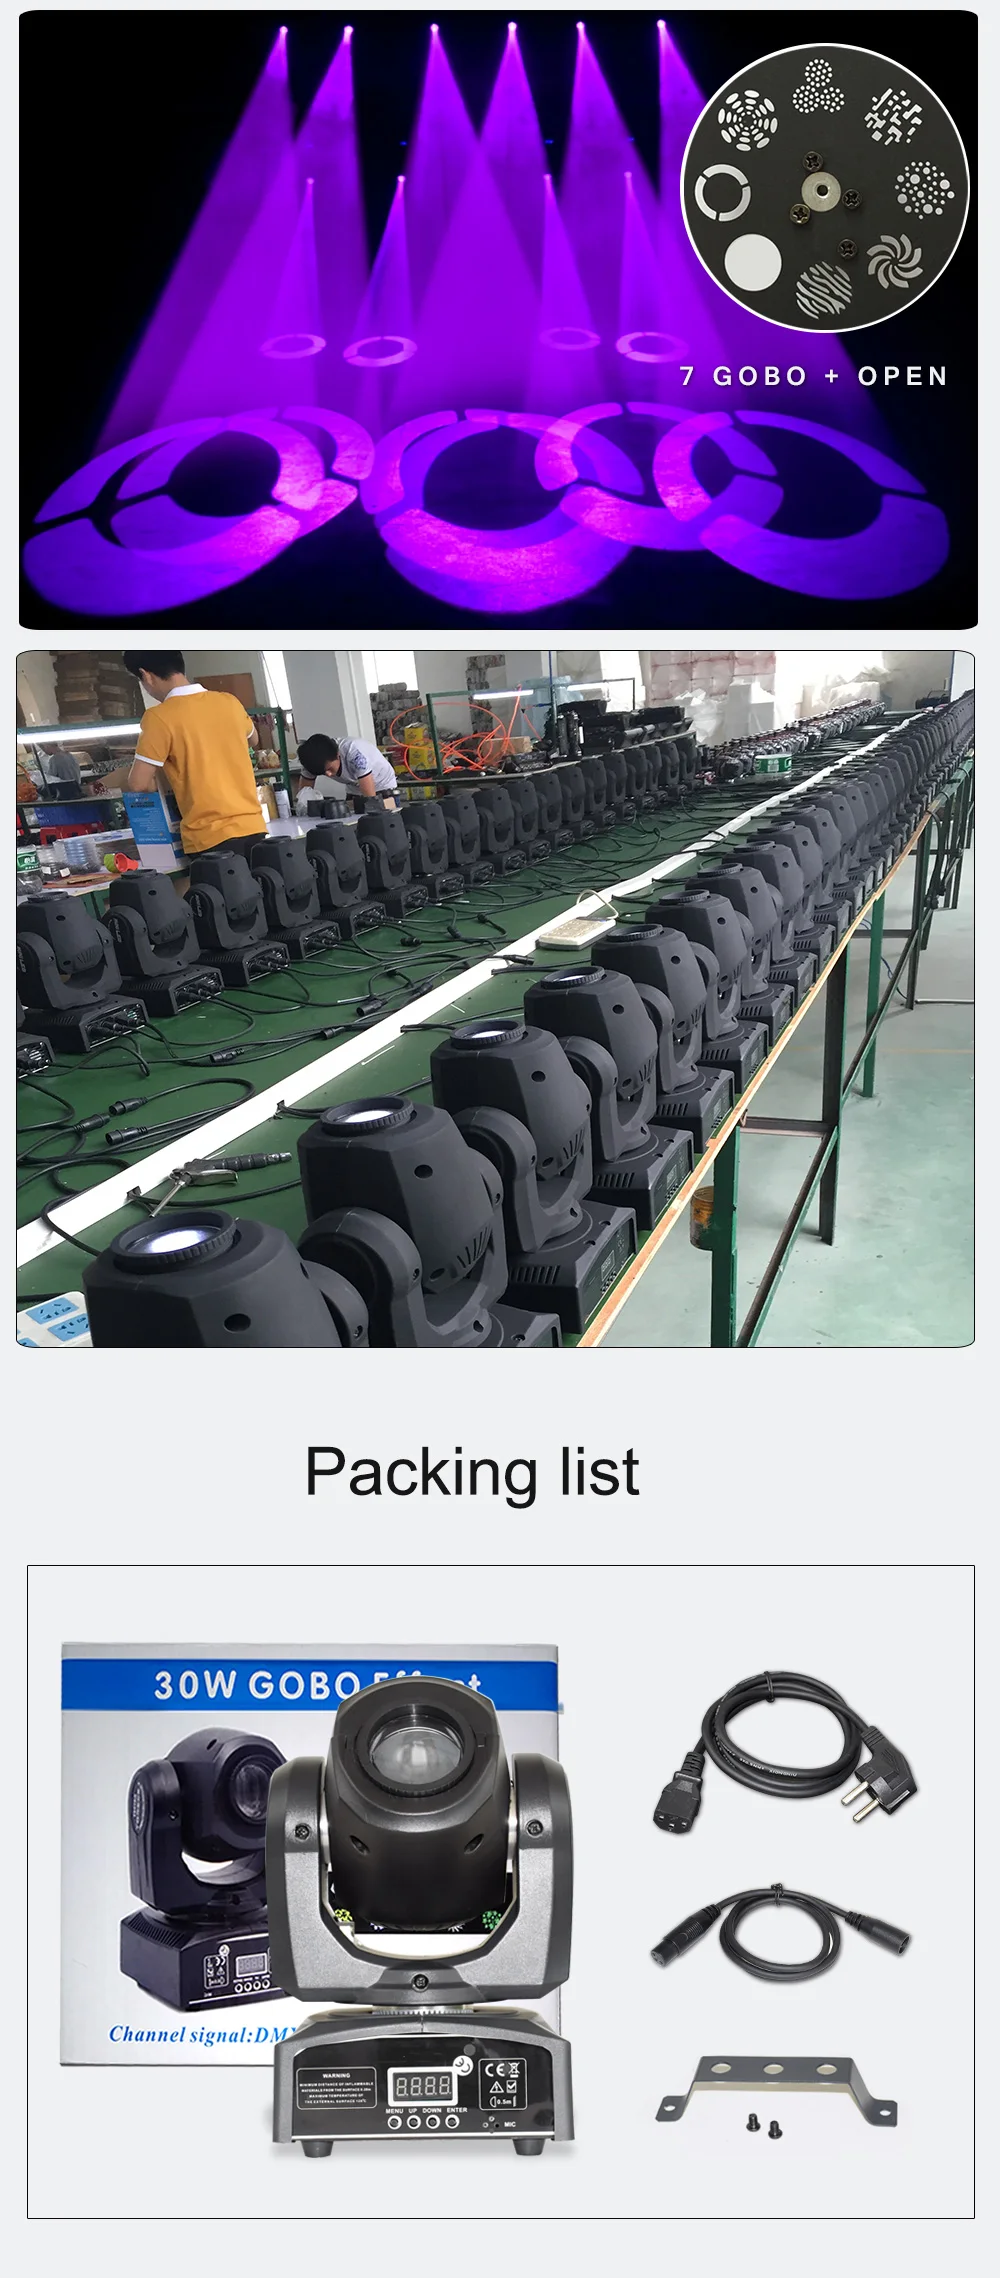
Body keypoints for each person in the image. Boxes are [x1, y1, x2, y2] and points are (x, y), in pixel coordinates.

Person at [123, 652, 266, 858]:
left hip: (209, 838)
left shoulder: (159, 717)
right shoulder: (229, 702)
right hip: (254, 827)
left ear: (146, 675)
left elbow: (138, 783)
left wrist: (157, 782)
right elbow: (253, 740)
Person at [295, 731, 399, 812]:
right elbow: (304, 795)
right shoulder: (311, 762)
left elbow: (371, 800)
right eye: (323, 773)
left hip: (382, 785)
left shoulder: (354, 752)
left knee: (379, 820)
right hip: (354, 789)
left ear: (338, 755)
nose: (329, 774)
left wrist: (373, 809)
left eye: (330, 769)